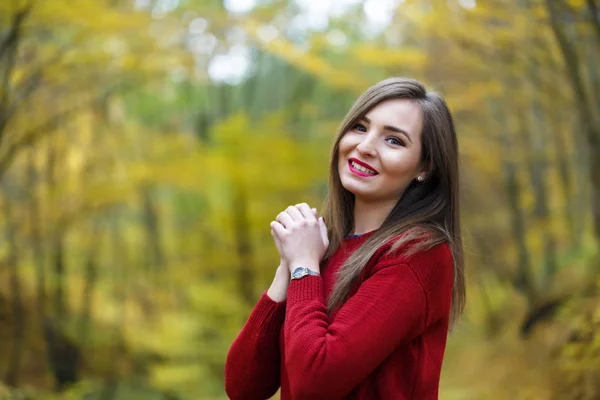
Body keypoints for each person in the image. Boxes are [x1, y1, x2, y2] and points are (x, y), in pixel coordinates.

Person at [224, 77, 465, 400]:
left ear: (425, 167)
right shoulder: (323, 244)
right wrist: (290, 264)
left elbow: (315, 381)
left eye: (394, 141)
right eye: (360, 128)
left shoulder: (418, 254)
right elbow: (244, 386)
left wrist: (305, 267)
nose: (365, 147)